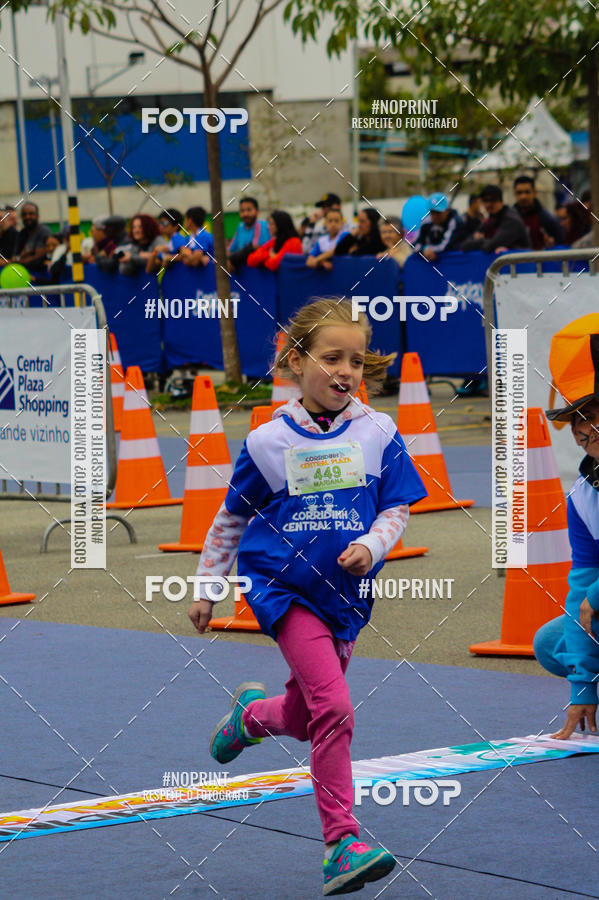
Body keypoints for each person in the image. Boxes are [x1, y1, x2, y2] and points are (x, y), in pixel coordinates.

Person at [188, 298, 427, 895]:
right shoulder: (269, 442)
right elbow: (229, 519)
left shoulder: (379, 432)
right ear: (295, 362)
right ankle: (340, 843)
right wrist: (208, 586)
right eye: (330, 358)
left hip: (345, 595)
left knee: (307, 713)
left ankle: (250, 718)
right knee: (337, 710)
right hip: (282, 590)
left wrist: (373, 545)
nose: (346, 371)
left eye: (356, 360)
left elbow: (396, 508)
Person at [534, 313, 599, 740]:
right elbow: (582, 585)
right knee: (550, 642)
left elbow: (592, 594)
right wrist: (583, 686)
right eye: (577, 417)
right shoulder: (583, 496)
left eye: (594, 412)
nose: (581, 428)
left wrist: (596, 596)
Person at [460, 184, 530, 253]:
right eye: (485, 200)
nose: (488, 204)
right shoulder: (489, 220)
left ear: (501, 201)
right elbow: (464, 245)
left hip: (523, 263)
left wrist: (481, 240)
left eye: (492, 200)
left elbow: (490, 246)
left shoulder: (511, 219)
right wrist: (487, 242)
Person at [513, 175, 564, 249]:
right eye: (519, 193)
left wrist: (553, 242)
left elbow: (561, 239)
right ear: (514, 193)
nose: (523, 196)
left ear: (534, 193)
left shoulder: (546, 218)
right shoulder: (510, 217)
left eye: (527, 192)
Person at [412, 193, 464, 261]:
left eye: (438, 212)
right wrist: (424, 249)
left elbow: (447, 245)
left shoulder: (456, 221)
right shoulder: (426, 222)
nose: (435, 216)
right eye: (432, 212)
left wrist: (431, 250)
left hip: (453, 262)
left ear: (447, 210)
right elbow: (415, 244)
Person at [227, 196, 270, 271]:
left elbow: (256, 248)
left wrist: (232, 260)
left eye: (249, 210)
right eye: (242, 211)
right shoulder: (240, 227)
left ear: (257, 211)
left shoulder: (262, 225)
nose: (245, 214)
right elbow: (230, 250)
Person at [13, 202, 51, 274]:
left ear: (37, 216)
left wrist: (20, 259)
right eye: (24, 214)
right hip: (24, 272)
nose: (27, 217)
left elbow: (38, 257)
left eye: (31, 214)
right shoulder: (22, 233)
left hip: (42, 273)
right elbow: (15, 256)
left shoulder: (44, 231)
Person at [146, 208, 186, 273]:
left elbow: (185, 254)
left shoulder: (177, 237)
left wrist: (170, 258)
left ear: (176, 226)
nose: (161, 226)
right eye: (160, 223)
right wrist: (155, 251)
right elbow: (149, 270)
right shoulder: (168, 243)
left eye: (164, 223)